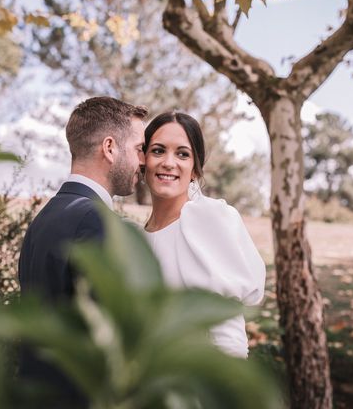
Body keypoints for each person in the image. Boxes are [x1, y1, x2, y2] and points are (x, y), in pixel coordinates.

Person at [17, 96, 147, 406]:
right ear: (110, 148)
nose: (143, 161)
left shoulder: (45, 218)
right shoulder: (97, 220)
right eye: (139, 149)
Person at [142, 112, 266, 358]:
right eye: (158, 150)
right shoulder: (136, 236)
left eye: (182, 154)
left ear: (195, 170)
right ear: (143, 159)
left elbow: (228, 335)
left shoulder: (207, 220)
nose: (168, 162)